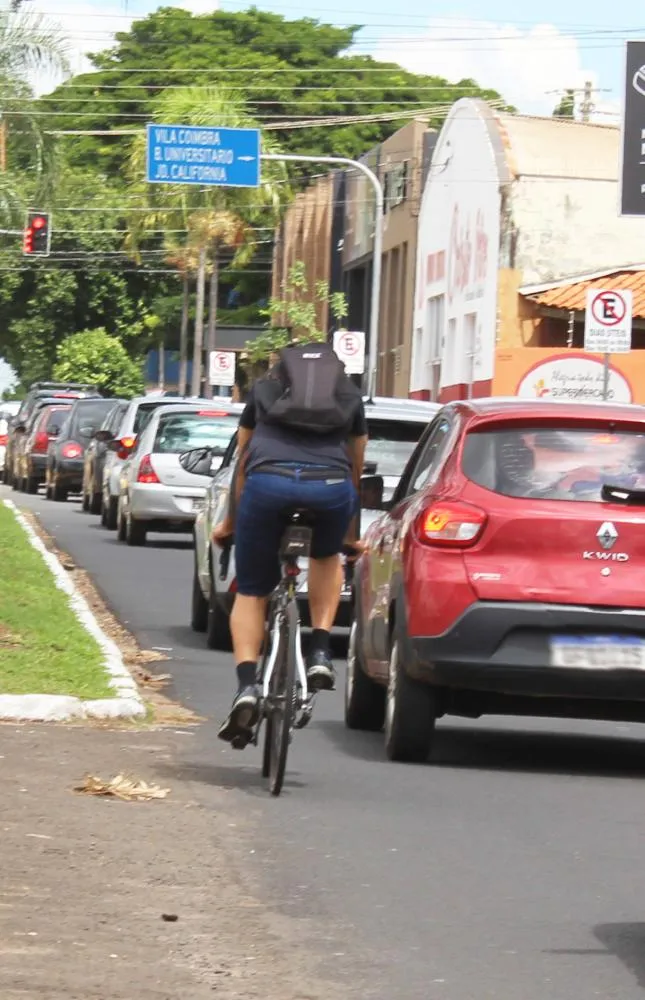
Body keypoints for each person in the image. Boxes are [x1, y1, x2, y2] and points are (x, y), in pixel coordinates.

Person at [212, 341, 368, 747]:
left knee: (251, 591)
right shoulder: (350, 397)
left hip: (267, 486)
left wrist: (229, 523)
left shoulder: (263, 393)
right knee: (327, 557)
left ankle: (247, 685)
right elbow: (355, 470)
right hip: (330, 489)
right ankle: (318, 650)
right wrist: (350, 536)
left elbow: (243, 464)